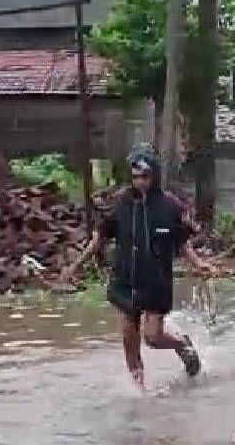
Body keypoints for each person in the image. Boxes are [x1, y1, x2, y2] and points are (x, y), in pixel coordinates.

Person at [61, 149, 217, 388]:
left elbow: (181, 242)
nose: (140, 182)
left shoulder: (170, 206)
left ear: (154, 176)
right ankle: (139, 390)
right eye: (136, 177)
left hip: (156, 280)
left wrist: (198, 263)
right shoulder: (120, 204)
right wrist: (76, 265)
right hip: (125, 278)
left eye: (145, 176)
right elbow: (100, 238)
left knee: (153, 337)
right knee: (128, 337)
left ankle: (182, 343)